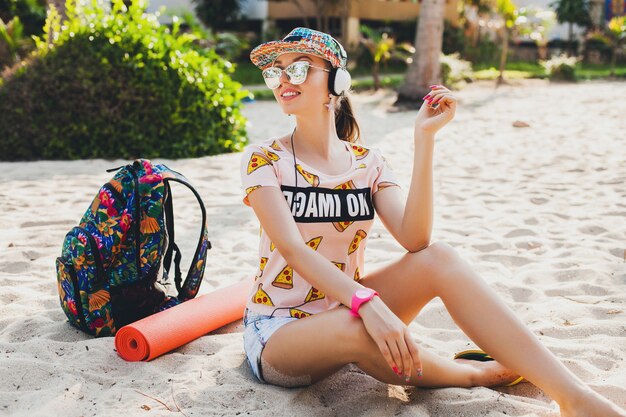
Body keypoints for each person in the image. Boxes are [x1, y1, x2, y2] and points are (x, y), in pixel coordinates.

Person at [239, 27, 626, 417]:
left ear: (337, 81)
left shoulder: (366, 162)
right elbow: (292, 248)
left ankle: (573, 397)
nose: (284, 80)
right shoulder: (264, 160)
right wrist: (366, 302)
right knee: (357, 327)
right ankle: (472, 375)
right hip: (280, 333)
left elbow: (415, 239)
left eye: (300, 68)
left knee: (439, 258)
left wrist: (424, 140)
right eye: (276, 72)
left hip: (347, 311)